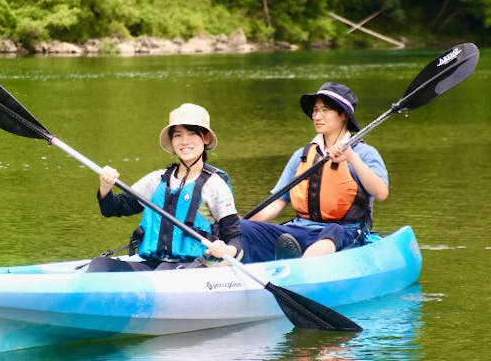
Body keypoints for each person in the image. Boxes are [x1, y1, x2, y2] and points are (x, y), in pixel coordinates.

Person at [241, 82, 389, 261]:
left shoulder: (363, 153)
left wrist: (351, 158)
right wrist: (243, 223)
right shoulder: (302, 155)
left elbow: (381, 193)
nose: (317, 116)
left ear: (343, 115)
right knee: (244, 229)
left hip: (345, 231)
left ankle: (301, 267)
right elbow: (278, 202)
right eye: (315, 110)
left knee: (332, 231)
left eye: (325, 110)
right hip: (301, 229)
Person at [87, 103, 242, 272]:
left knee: (164, 268)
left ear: (205, 138)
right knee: (100, 265)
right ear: (172, 140)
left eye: (192, 134)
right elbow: (112, 208)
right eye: (177, 135)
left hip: (196, 266)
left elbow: (235, 239)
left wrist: (225, 249)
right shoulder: (156, 180)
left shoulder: (214, 185)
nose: (184, 141)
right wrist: (105, 187)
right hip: (154, 264)